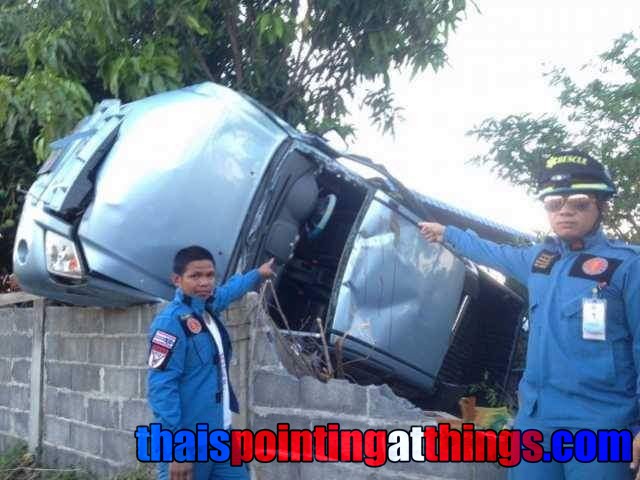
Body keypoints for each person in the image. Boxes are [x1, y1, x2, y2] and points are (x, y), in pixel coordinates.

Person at [419, 151, 640, 479]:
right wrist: (447, 233)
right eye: (554, 203)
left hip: (602, 423)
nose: (565, 210)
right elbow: (492, 252)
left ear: (600, 206)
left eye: (579, 202)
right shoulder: (539, 260)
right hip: (535, 421)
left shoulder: (628, 265)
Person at [147, 245, 275, 480]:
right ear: (177, 279)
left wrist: (258, 273)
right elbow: (161, 387)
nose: (204, 282)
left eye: (209, 275)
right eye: (195, 276)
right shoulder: (169, 323)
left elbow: (228, 291)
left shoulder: (207, 308)